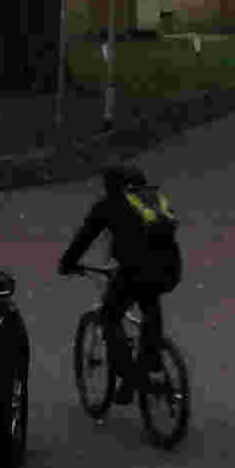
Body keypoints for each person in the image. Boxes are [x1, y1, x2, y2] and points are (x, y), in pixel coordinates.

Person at [58, 161, 181, 405]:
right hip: (169, 268)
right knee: (150, 304)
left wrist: (67, 264)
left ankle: (132, 376)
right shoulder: (154, 199)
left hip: (136, 269)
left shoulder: (109, 204)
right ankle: (151, 359)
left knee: (110, 316)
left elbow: (85, 237)